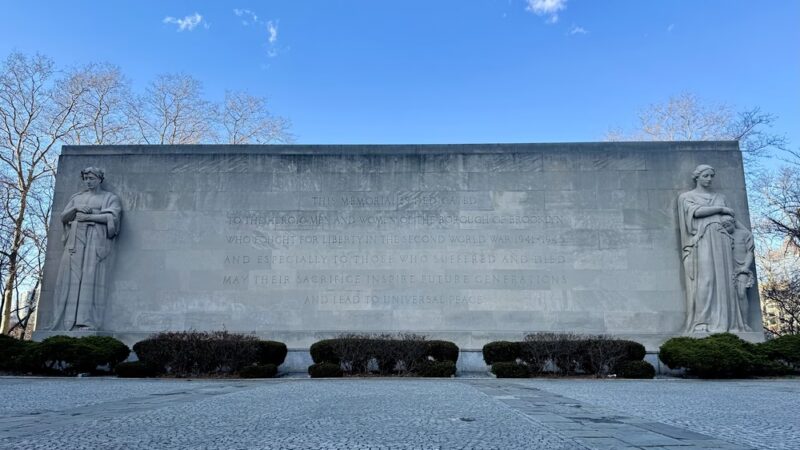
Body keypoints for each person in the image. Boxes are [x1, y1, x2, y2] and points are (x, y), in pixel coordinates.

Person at [49, 167, 122, 331]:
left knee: (90, 279)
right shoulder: (77, 198)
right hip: (75, 242)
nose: (88, 181)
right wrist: (75, 209)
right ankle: (67, 321)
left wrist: (90, 217)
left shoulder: (109, 198)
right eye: (86, 178)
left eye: (91, 178)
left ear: (99, 179)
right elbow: (63, 217)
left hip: (95, 242)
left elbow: (113, 218)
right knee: (70, 278)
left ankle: (86, 321)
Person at [677, 164, 747, 332]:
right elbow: (696, 212)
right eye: (705, 176)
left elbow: (732, 219)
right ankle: (702, 321)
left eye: (711, 176)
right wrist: (721, 209)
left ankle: (728, 322)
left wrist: (745, 234)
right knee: (706, 280)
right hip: (702, 240)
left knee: (725, 281)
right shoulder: (687, 197)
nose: (709, 179)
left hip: (722, 240)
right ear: (697, 177)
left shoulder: (720, 196)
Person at [721, 216, 755, 329]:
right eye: (724, 226)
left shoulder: (744, 234)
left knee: (741, 294)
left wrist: (746, 266)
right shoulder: (723, 236)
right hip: (728, 268)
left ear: (733, 223)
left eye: (727, 225)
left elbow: (750, 252)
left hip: (742, 269)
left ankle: (745, 323)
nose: (726, 227)